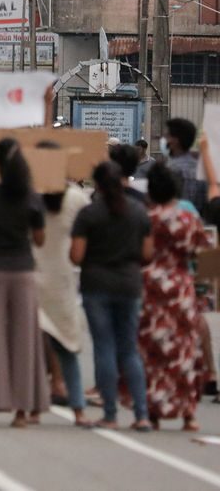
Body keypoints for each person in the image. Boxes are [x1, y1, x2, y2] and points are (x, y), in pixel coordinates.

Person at [0, 139, 50, 427]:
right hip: (23, 270)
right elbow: (40, 239)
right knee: (25, 339)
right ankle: (23, 411)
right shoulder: (32, 197)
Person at [70, 161, 154, 431]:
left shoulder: (89, 214)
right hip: (129, 284)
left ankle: (110, 414)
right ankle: (142, 414)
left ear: (97, 185)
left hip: (96, 285)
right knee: (129, 349)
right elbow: (147, 254)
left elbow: (77, 256)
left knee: (104, 348)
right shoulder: (139, 212)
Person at [139, 163, 210, 431]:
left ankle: (154, 410)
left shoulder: (148, 218)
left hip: (153, 286)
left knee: (153, 349)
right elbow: (202, 253)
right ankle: (188, 413)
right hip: (181, 286)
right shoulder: (188, 219)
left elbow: (144, 253)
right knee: (184, 348)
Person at [32, 147, 92, 426]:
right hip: (64, 278)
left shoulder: (31, 200)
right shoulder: (77, 199)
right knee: (67, 345)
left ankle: (32, 408)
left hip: (34, 277)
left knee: (35, 343)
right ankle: (77, 409)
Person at [164, 118, 207, 214]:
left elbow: (183, 209)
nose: (164, 140)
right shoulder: (201, 168)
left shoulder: (173, 169)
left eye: (167, 136)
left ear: (175, 140)